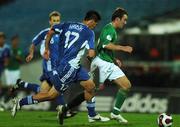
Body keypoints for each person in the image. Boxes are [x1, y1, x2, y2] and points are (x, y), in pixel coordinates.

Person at [11, 10, 109, 125]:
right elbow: (91, 53)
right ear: (91, 21)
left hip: (73, 66)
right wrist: (90, 58)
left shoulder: (68, 24)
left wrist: (46, 47)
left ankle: (92, 115)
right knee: (51, 95)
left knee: (90, 86)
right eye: (95, 24)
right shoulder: (89, 32)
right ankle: (20, 103)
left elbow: (50, 32)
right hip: (69, 68)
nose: (95, 26)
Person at [90, 7, 133, 123]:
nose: (125, 22)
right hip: (101, 63)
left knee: (126, 85)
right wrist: (123, 48)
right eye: (124, 19)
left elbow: (106, 47)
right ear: (117, 19)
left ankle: (115, 113)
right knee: (90, 90)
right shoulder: (110, 29)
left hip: (108, 62)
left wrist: (114, 59)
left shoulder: (111, 30)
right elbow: (105, 45)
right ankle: (67, 108)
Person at [0, 32, 10, 111]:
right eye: (0, 37)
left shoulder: (6, 48)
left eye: (2, 38)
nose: (1, 39)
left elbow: (6, 61)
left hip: (3, 70)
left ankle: (2, 102)